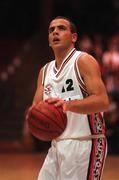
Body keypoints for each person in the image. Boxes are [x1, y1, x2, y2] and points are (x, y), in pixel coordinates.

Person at [27, 16, 109, 180]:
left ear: (74, 37)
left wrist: (68, 105)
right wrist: (36, 117)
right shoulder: (45, 71)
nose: (55, 32)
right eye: (51, 30)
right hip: (57, 145)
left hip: (86, 143)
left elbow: (102, 102)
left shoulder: (83, 61)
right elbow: (35, 108)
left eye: (61, 28)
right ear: (49, 40)